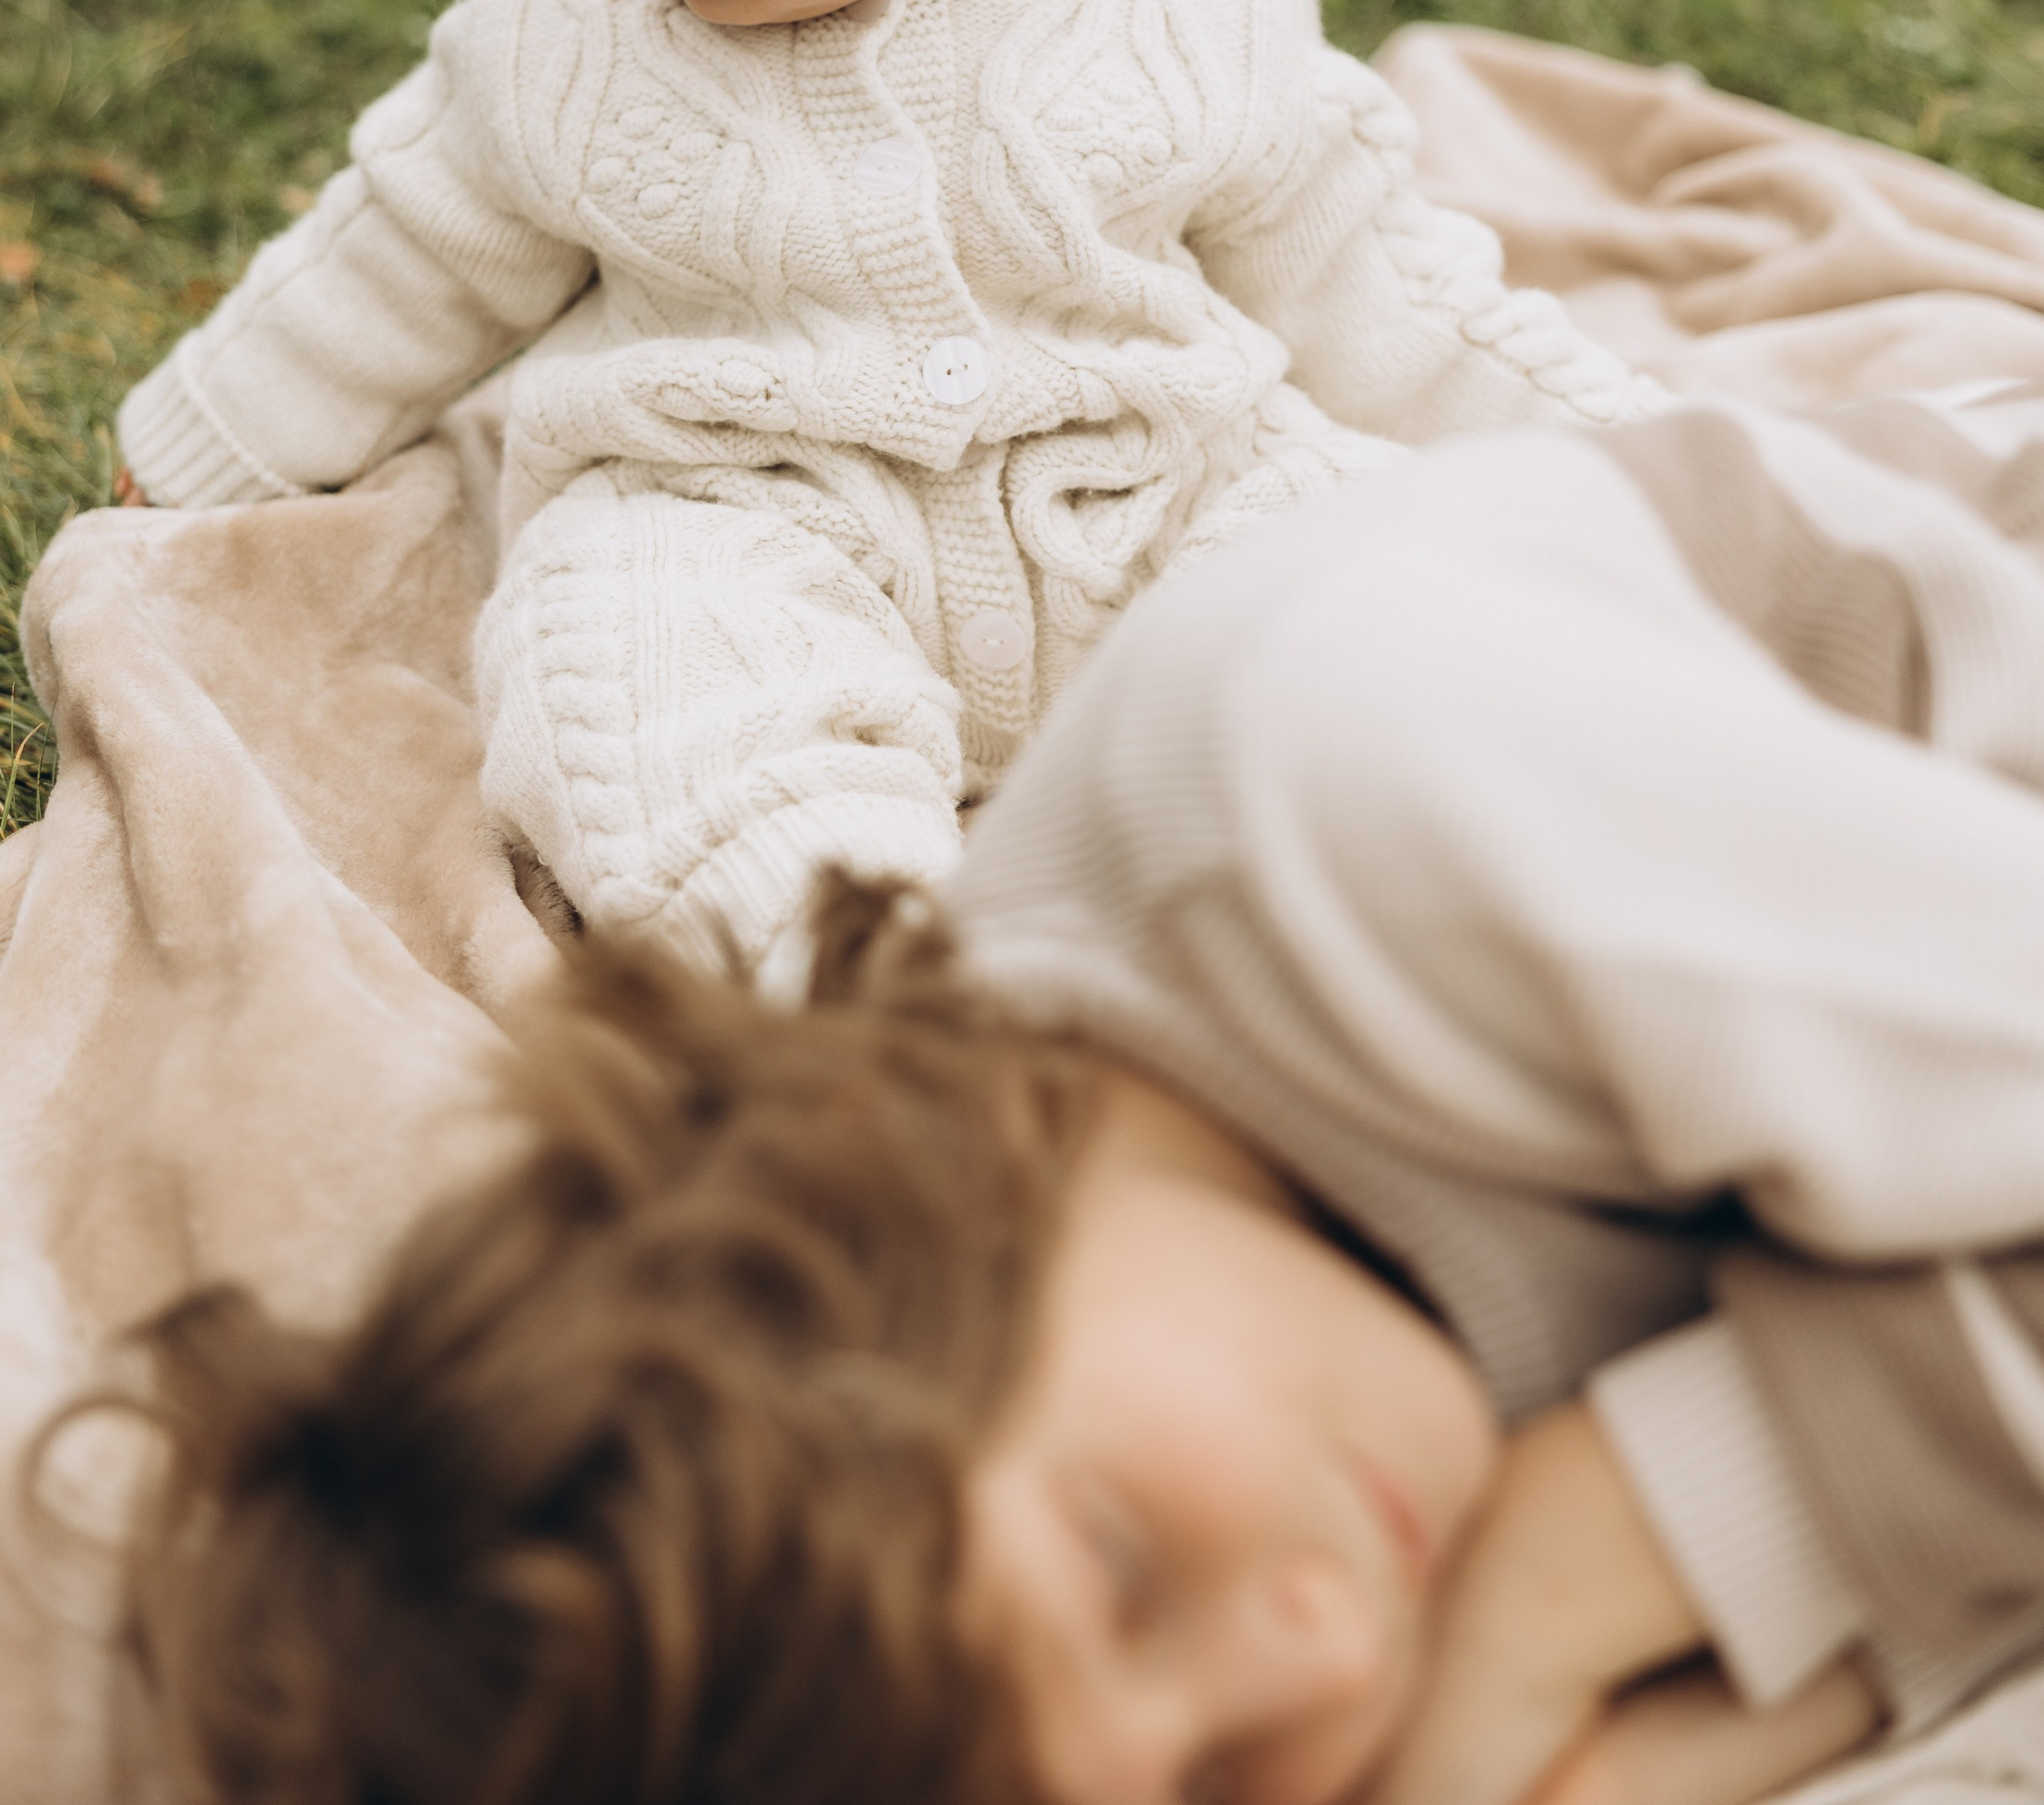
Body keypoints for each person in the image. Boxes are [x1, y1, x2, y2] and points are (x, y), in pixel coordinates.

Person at [119, 385, 2044, 1805]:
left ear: (882, 1207)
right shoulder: (1262, 1357)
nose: (1333, 1660)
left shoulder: (1378, 801)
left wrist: (1610, 1554)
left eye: (1119, 1562)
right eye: (1208, 1792)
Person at [111, 0, 1645, 975]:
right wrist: (215, 437)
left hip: (1138, 497)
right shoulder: (568, 21)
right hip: (746, 511)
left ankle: (1460, 896)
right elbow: (404, 250)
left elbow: (1373, 281)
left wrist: (1639, 469)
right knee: (639, 687)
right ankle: (872, 980)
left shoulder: (1171, 1)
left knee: (1390, 593)